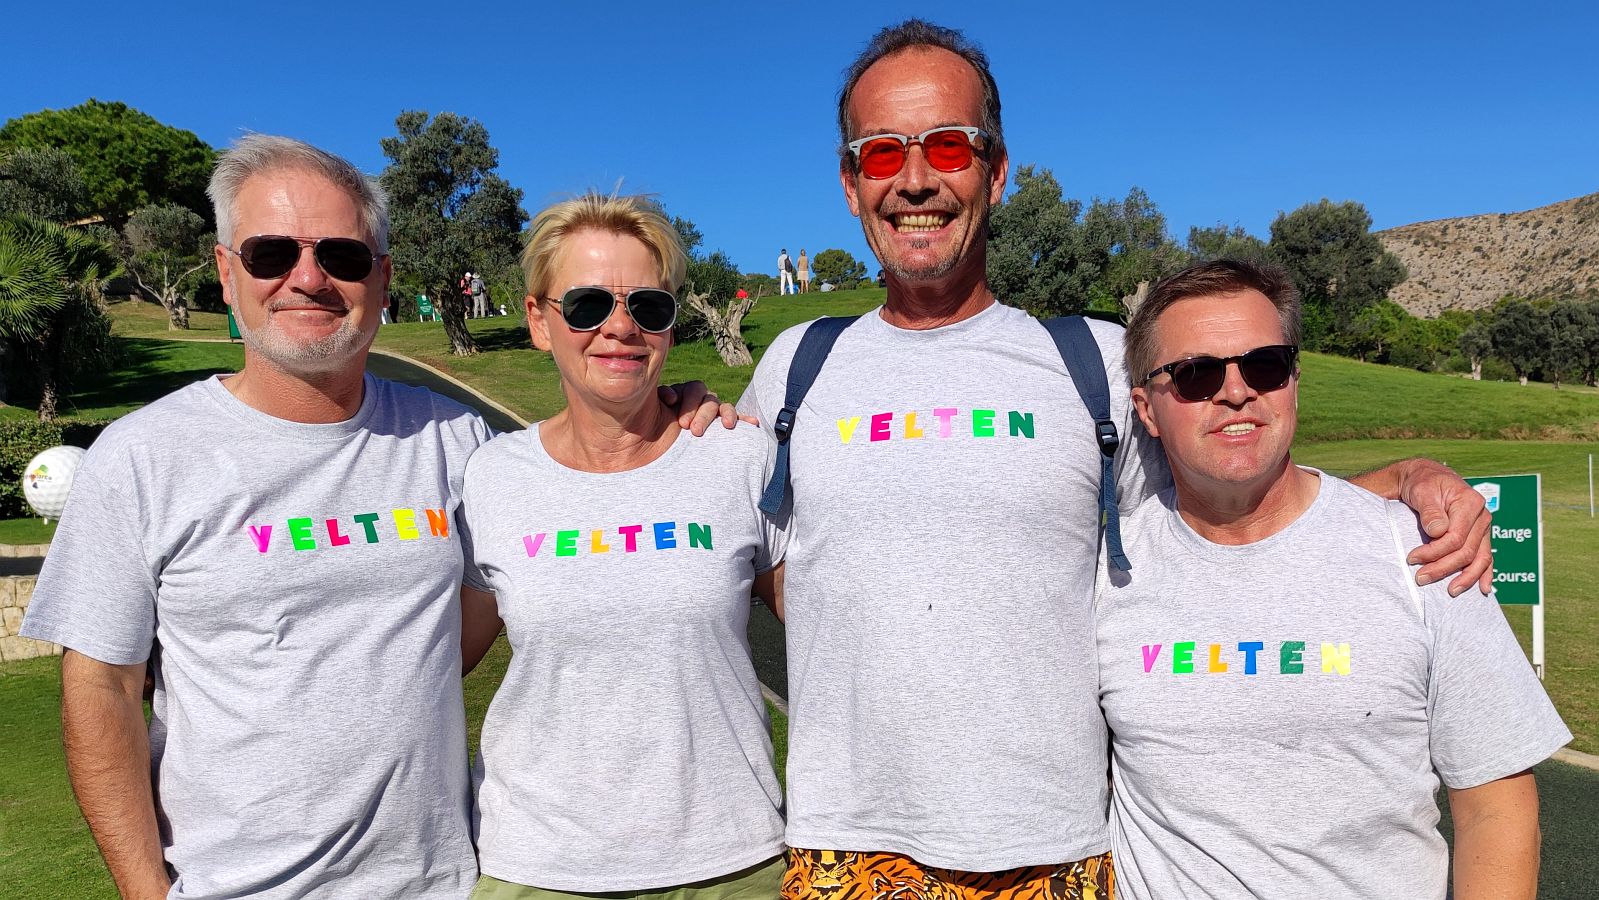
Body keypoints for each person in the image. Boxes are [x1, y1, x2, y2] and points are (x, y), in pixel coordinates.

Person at [737, 20, 1494, 899]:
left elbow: (1234, 515)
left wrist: (1402, 483)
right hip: (846, 839)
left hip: (1057, 843)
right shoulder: (798, 363)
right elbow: (757, 552)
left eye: (948, 145)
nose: (914, 180)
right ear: (847, 181)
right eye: (879, 155)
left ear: (997, 169)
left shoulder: (1091, 362)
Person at [20, 137, 737, 900]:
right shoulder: (141, 457)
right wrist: (142, 891)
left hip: (443, 881)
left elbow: (490, 599)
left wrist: (676, 405)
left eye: (342, 255)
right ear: (227, 272)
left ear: (382, 278)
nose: (308, 277)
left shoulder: (458, 443)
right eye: (271, 254)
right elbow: (99, 690)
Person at [1098, 258, 1568, 899]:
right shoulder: (1107, 571)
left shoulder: (1425, 552)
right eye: (1195, 373)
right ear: (1146, 410)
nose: (1236, 392)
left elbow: (1496, 802)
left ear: (1294, 379)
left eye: (1263, 364)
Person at [458, 193, 787, 898]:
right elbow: (436, 661)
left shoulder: (736, 456)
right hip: (536, 869)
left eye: (647, 306)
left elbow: (835, 633)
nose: (619, 327)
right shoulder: (492, 477)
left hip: (731, 864)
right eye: (584, 305)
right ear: (539, 322)